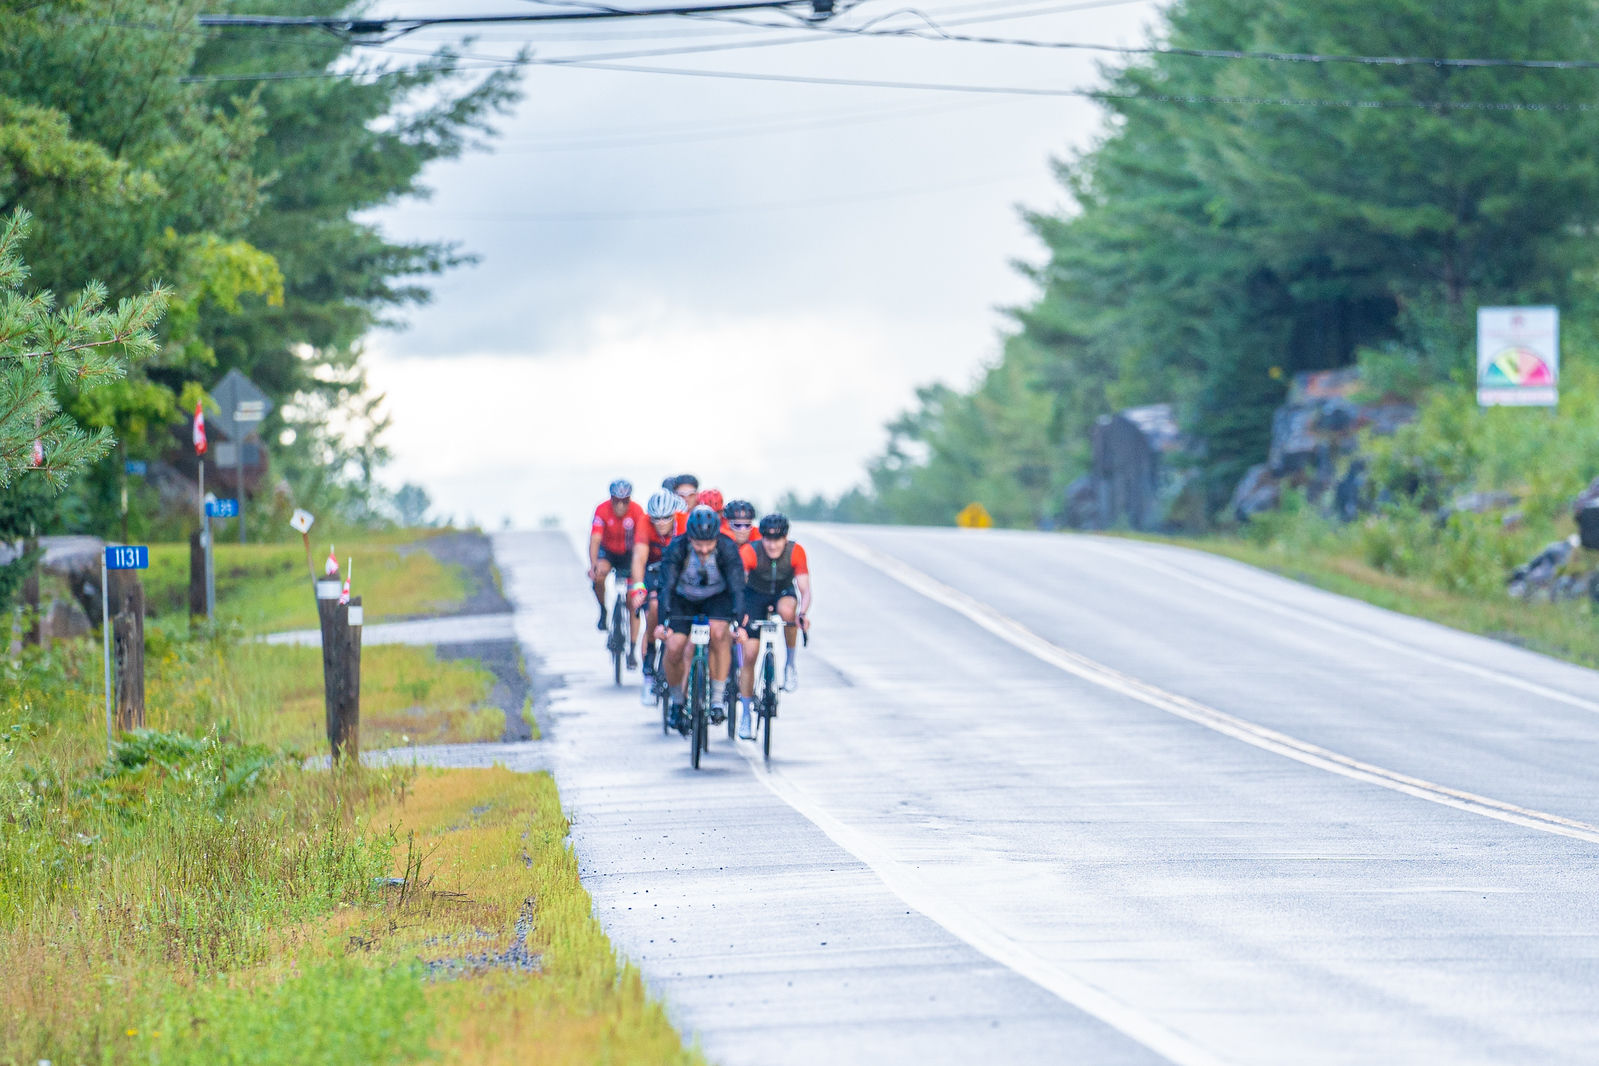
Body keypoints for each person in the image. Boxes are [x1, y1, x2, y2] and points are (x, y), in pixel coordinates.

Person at [656, 505, 746, 732]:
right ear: (690, 539)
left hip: (717, 598)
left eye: (709, 544)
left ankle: (716, 699)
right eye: (698, 544)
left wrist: (739, 622)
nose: (704, 550)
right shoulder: (677, 547)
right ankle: (677, 701)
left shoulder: (727, 547)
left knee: (719, 633)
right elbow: (665, 587)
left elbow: (737, 588)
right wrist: (662, 623)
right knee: (674, 646)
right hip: (683, 598)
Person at [736, 512, 810, 738]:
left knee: (789, 612)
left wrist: (803, 613)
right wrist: (739, 617)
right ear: (762, 537)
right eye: (767, 538)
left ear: (785, 538)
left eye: (777, 539)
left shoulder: (795, 551)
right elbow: (739, 586)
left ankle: (790, 665)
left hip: (782, 593)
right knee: (749, 654)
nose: (772, 544)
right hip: (754, 596)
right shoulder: (751, 551)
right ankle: (746, 715)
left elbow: (805, 589)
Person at [588, 479, 646, 668]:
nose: (620, 505)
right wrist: (593, 565)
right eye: (616, 500)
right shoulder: (602, 510)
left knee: (633, 600)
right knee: (599, 576)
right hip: (609, 552)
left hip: (629, 553)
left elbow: (641, 543)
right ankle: (603, 610)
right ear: (611, 499)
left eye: (625, 500)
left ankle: (632, 647)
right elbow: (595, 539)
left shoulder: (637, 511)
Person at [630, 489, 680, 699]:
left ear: (675, 515)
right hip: (654, 569)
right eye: (656, 519)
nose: (661, 523)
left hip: (677, 570)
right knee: (654, 607)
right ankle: (649, 665)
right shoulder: (644, 523)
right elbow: (639, 558)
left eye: (666, 518)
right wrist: (638, 586)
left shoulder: (684, 522)